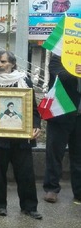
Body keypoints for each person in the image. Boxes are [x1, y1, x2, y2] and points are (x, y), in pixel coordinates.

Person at [0, 51, 42, 219]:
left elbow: (33, 109)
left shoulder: (24, 81)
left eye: (3, 62)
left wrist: (36, 126)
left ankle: (29, 207)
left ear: (12, 63)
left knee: (26, 173)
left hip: (22, 138)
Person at [42, 54, 81, 204]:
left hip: (79, 116)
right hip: (61, 112)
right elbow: (59, 75)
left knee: (78, 156)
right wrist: (75, 71)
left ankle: (78, 191)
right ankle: (51, 189)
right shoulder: (60, 56)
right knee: (54, 153)